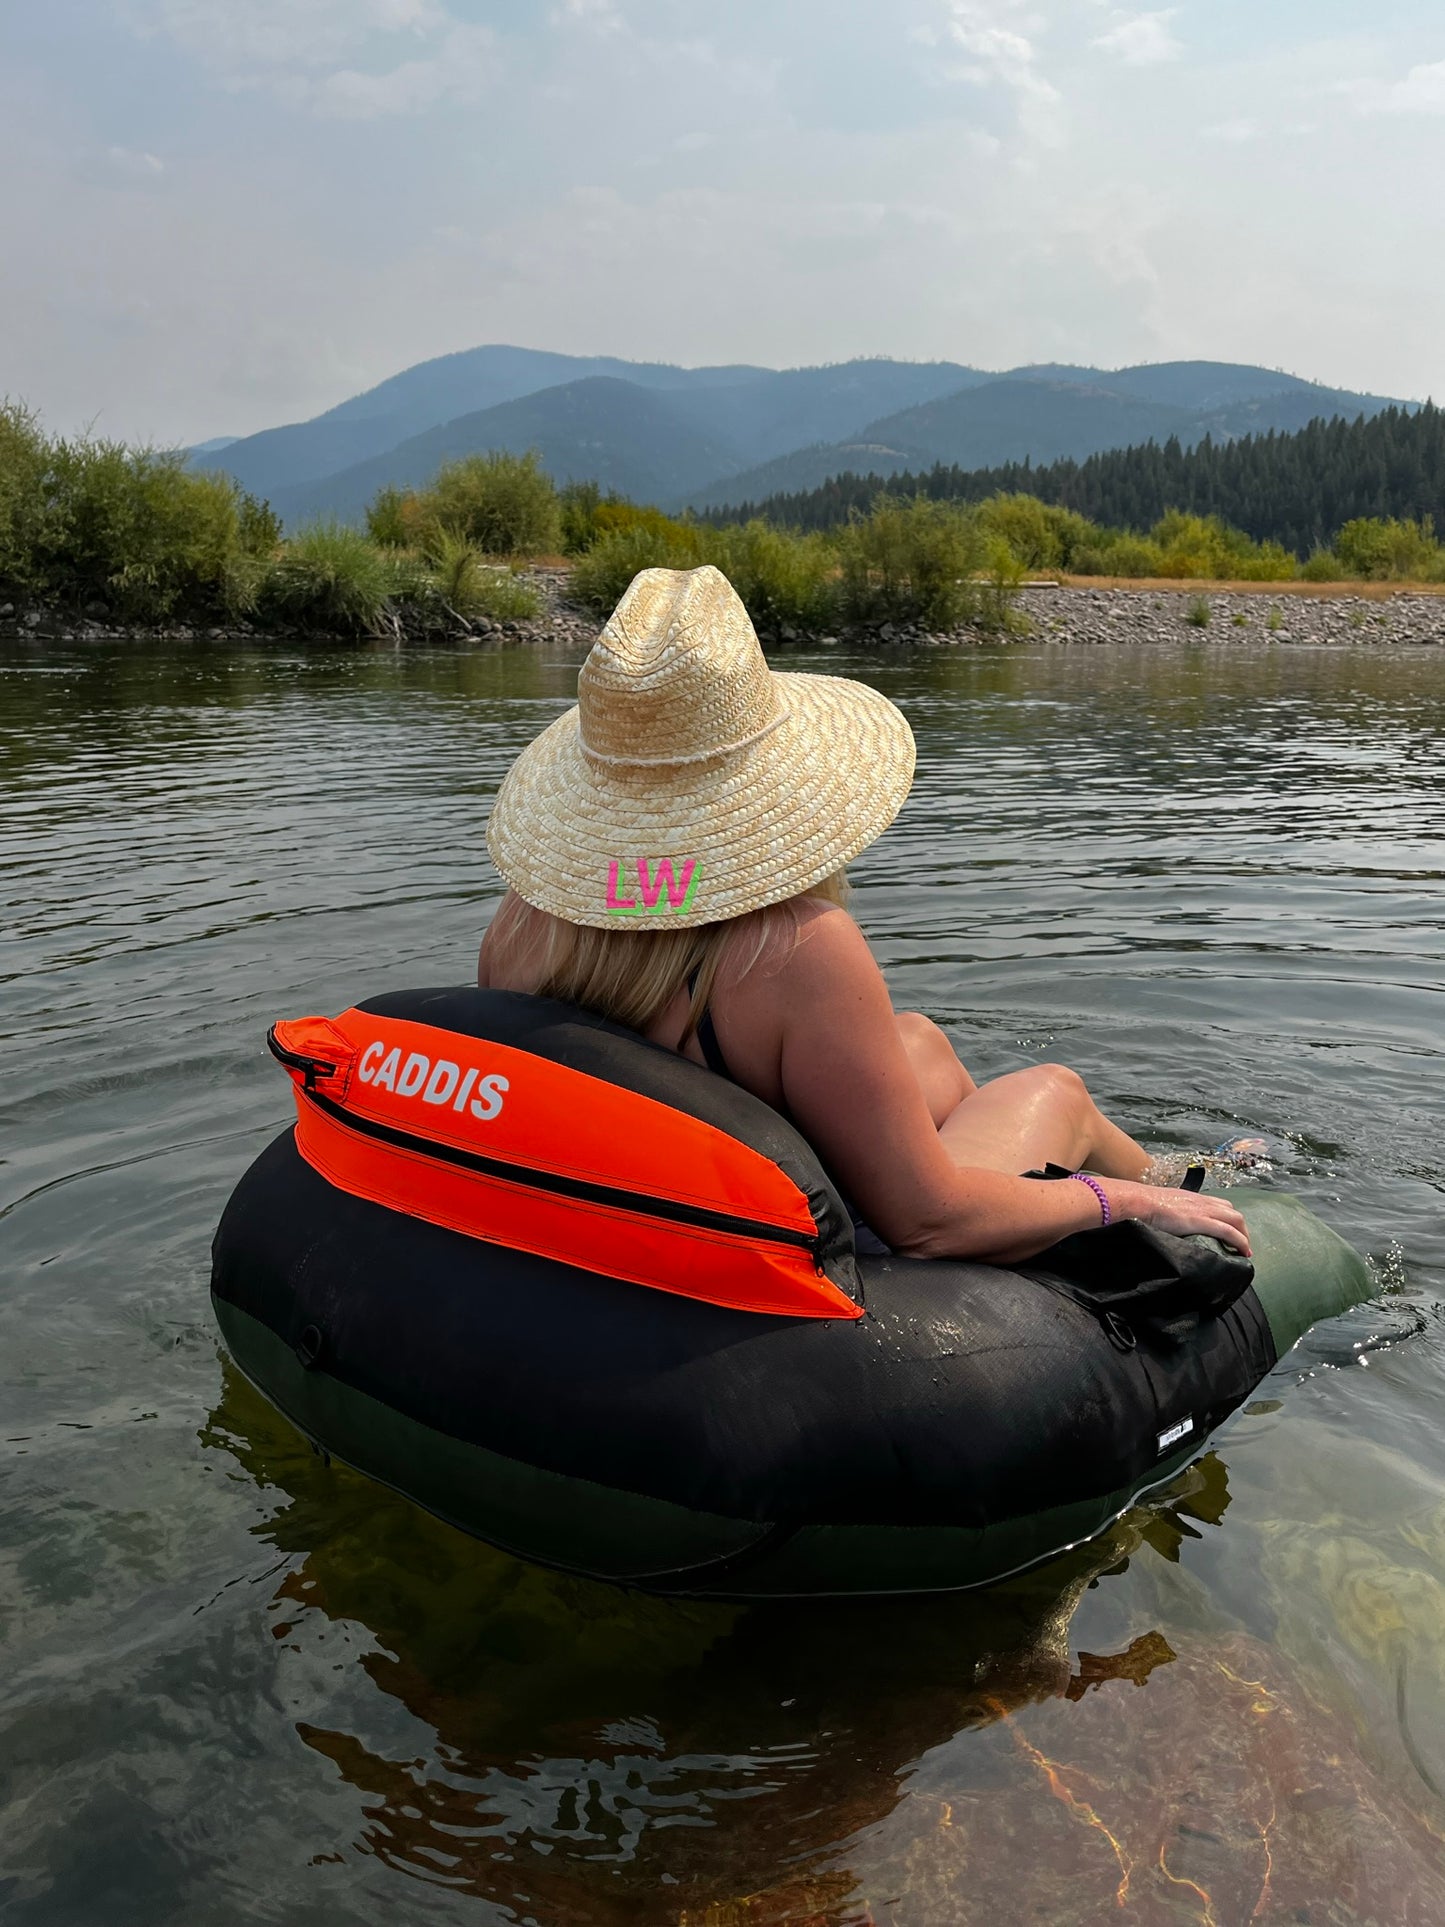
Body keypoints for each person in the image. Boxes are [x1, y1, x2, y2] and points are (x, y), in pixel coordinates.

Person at [479, 564, 1250, 1265]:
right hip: (794, 1228)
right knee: (1054, 1090)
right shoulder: (795, 949)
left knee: (920, 1043)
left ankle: (1161, 1167)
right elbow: (926, 1222)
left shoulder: (518, 928)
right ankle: (1179, 1181)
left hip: (659, 1197)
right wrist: (1119, 1201)